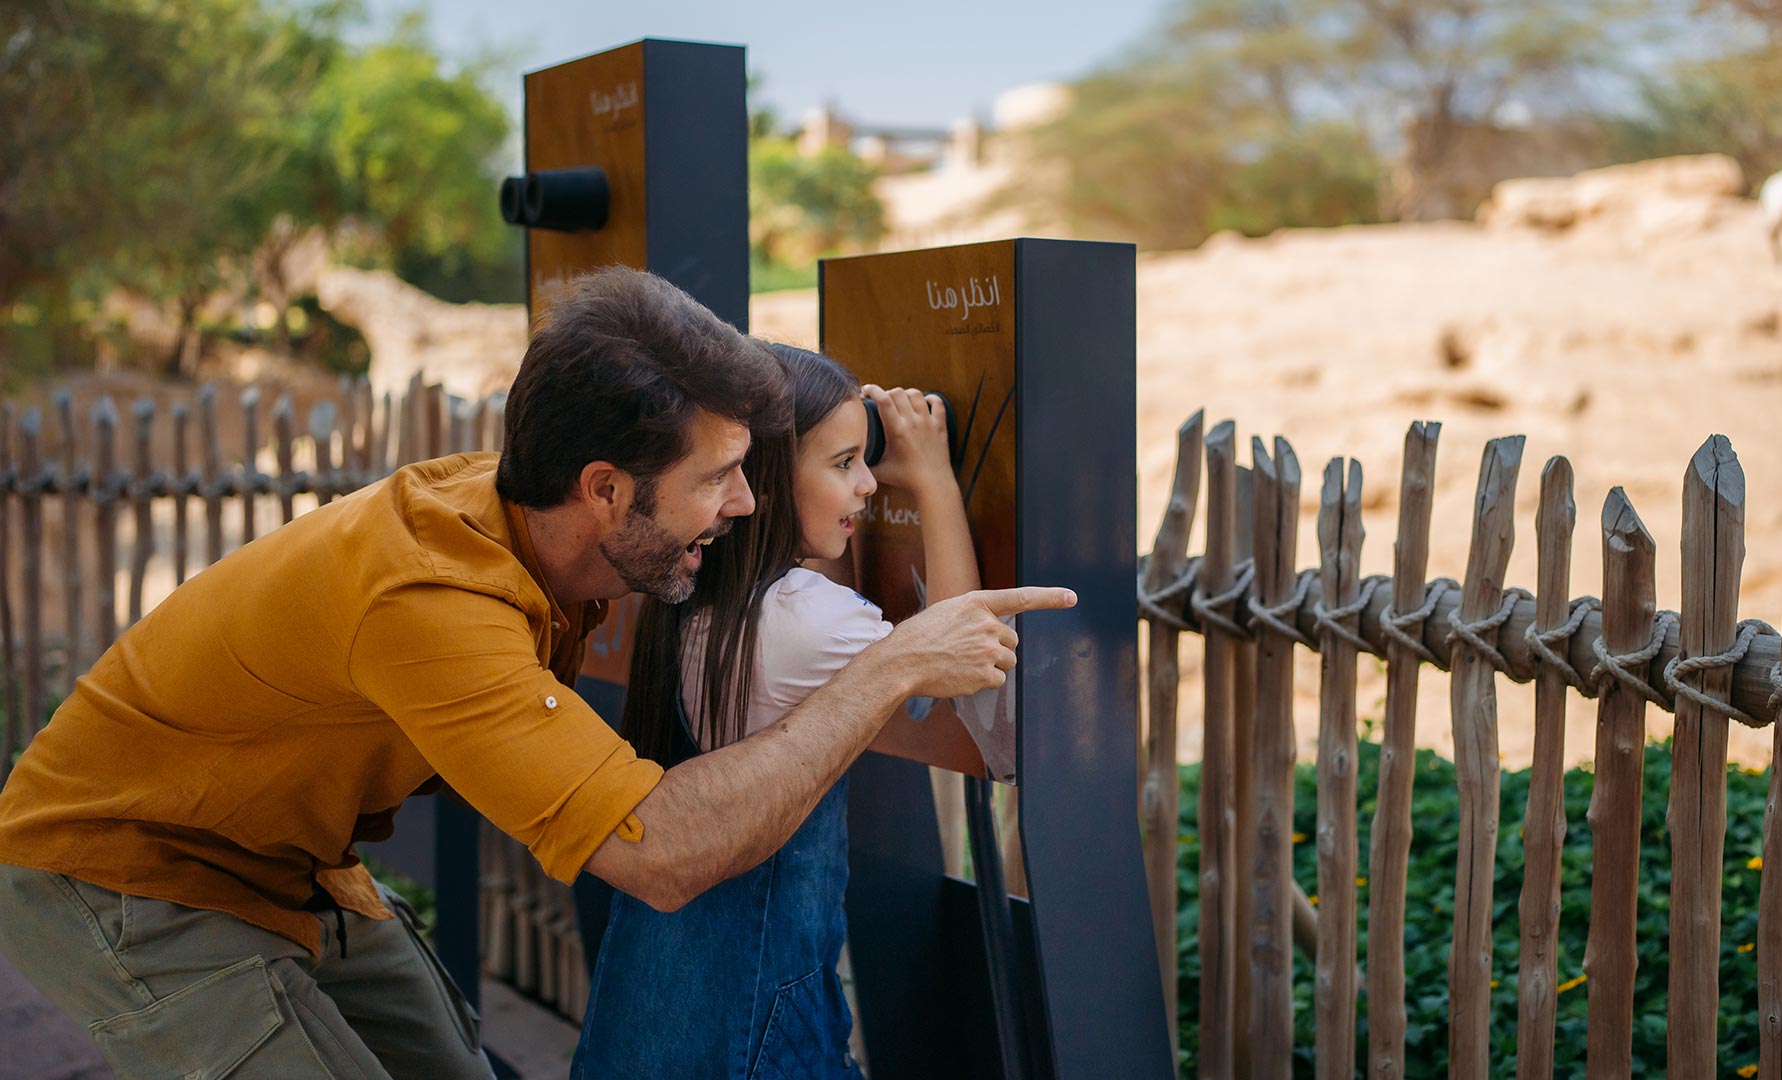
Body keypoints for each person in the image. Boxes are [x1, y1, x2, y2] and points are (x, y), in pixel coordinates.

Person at [0, 268, 1071, 1079]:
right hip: (129, 871)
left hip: (284, 862)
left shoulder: (534, 519)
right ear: (605, 489)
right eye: (718, 480)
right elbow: (663, 854)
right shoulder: (434, 604)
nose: (746, 508)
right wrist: (886, 671)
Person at [571, 344, 976, 1078]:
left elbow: (837, 601)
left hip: (661, 1007)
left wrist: (846, 472)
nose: (864, 487)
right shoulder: (802, 622)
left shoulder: (707, 594)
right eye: (843, 463)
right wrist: (934, 480)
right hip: (758, 1018)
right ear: (765, 480)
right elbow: (954, 665)